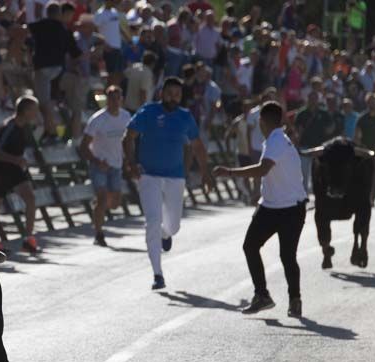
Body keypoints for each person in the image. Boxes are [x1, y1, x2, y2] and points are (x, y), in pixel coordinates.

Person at [213, 100, 306, 317]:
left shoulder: (276, 141)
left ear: (263, 121)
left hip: (290, 208)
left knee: (287, 255)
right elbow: (271, 174)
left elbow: (263, 169)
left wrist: (229, 172)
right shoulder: (276, 140)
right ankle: (262, 295)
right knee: (250, 246)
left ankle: (295, 299)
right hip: (271, 206)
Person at [124, 75, 212, 291]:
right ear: (161, 93)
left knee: (173, 226)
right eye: (170, 93)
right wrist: (132, 164)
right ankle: (157, 274)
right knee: (152, 221)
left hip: (175, 176)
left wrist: (205, 172)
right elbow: (128, 137)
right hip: (149, 175)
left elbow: (198, 145)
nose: (173, 97)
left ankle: (166, 234)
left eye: (178, 94)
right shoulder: (148, 111)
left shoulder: (185, 117)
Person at [0, 95, 39, 254]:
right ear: (26, 110)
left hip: (15, 170)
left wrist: (21, 161)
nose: (36, 113)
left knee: (30, 198)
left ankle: (28, 239)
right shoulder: (9, 126)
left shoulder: (26, 127)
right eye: (34, 110)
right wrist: (16, 159)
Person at [80, 83, 130, 246]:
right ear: (106, 100)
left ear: (121, 100)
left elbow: (130, 141)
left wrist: (130, 161)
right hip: (99, 165)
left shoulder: (126, 117)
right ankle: (98, 233)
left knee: (114, 203)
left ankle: (98, 209)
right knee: (102, 199)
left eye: (117, 99)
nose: (115, 102)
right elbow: (84, 146)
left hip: (117, 164)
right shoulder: (98, 120)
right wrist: (96, 161)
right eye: (111, 99)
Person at [26, 2, 79, 142]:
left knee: (44, 103)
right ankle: (52, 127)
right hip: (59, 71)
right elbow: (76, 54)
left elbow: (25, 32)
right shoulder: (65, 29)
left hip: (43, 69)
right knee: (51, 101)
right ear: (59, 14)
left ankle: (52, 132)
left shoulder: (39, 25)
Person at [294, 89, 334, 195]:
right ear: (308, 99)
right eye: (311, 98)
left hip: (319, 148)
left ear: (318, 100)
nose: (313, 100)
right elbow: (296, 130)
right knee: (304, 173)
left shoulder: (324, 113)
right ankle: (304, 195)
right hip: (304, 147)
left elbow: (331, 126)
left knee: (319, 173)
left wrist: (328, 130)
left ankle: (318, 194)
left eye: (315, 98)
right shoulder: (302, 114)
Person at [354, 91, 375, 207]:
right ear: (367, 103)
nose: (372, 104)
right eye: (370, 102)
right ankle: (368, 197)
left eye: (374, 101)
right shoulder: (362, 118)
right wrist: (359, 148)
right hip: (366, 152)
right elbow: (357, 136)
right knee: (366, 175)